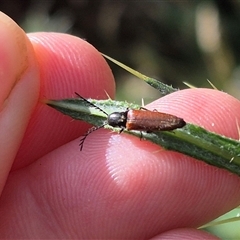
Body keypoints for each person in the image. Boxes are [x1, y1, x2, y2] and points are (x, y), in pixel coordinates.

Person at [0, 12, 239, 239]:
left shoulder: (131, 123)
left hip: (162, 123)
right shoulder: (132, 115)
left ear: (119, 121)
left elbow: (147, 126)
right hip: (159, 121)